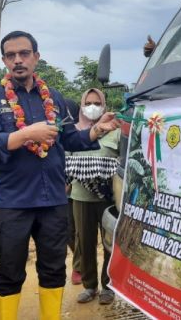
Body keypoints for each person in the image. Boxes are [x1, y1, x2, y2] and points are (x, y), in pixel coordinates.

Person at [0, 30, 119, 319]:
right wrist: (26, 134)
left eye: (24, 53)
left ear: (36, 57)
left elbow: (70, 140)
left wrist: (96, 130)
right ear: (4, 60)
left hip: (53, 200)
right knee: (10, 270)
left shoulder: (53, 97)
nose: (18, 60)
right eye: (11, 55)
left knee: (54, 269)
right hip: (14, 202)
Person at [66, 88, 120, 305]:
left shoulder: (116, 132)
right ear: (81, 105)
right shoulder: (73, 133)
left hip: (108, 197)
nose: (92, 106)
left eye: (97, 102)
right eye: (88, 102)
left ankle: (108, 286)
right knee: (84, 241)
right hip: (80, 196)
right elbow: (66, 162)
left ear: (104, 105)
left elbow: (123, 159)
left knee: (109, 243)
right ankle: (89, 286)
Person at [63, 98, 82, 285]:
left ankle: (80, 266)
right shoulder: (55, 130)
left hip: (78, 188)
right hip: (62, 191)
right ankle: (79, 263)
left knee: (81, 230)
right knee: (69, 230)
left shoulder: (80, 133)